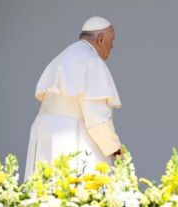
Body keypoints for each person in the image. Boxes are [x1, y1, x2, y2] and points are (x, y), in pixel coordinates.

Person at [25, 16, 122, 179]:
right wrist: (114, 148)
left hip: (44, 131)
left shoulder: (61, 57)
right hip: (69, 135)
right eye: (112, 40)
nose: (112, 46)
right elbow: (96, 118)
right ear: (101, 38)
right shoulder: (92, 61)